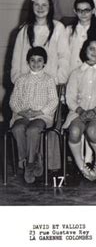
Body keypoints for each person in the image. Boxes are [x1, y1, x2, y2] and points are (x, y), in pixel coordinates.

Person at [63, 37, 96, 181]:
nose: (95, 52)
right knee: (74, 131)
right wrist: (80, 111)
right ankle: (82, 166)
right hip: (78, 112)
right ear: (85, 50)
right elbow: (70, 98)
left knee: (92, 131)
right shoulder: (76, 73)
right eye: (92, 48)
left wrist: (95, 110)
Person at [9, 47, 58, 184]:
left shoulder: (48, 80)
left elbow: (54, 101)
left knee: (33, 130)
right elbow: (13, 100)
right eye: (32, 60)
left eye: (39, 60)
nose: (36, 63)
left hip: (41, 116)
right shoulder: (21, 80)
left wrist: (39, 112)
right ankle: (28, 159)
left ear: (44, 63)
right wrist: (21, 111)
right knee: (17, 129)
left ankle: (29, 165)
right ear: (28, 62)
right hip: (23, 115)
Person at [11, 0, 69, 86]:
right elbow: (16, 59)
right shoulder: (24, 29)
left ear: (49, 7)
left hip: (50, 84)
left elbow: (64, 57)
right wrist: (19, 81)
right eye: (36, 4)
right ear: (32, 7)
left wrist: (58, 80)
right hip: (27, 85)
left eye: (44, 5)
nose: (40, 8)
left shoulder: (58, 27)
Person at [66, 0, 96, 73]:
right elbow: (64, 55)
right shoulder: (69, 30)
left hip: (92, 73)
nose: (83, 13)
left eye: (87, 10)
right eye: (80, 10)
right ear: (75, 11)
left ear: (93, 11)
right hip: (71, 71)